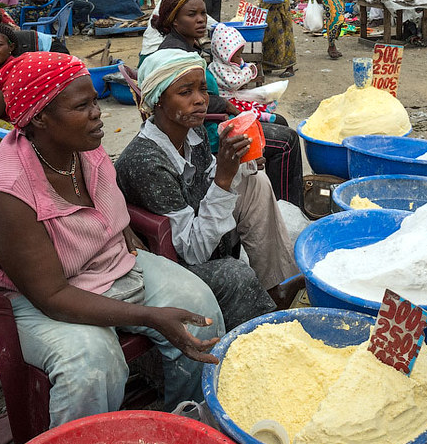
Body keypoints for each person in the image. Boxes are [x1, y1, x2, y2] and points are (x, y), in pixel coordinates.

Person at [0, 51, 223, 428]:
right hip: (24, 299)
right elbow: (51, 297)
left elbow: (105, 200)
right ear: (40, 119)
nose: (97, 113)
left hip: (104, 263)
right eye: (82, 106)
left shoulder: (84, 145)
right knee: (92, 362)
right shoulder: (9, 195)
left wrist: (119, 227)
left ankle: (182, 424)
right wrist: (148, 315)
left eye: (94, 101)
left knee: (199, 310)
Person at [116, 49, 301, 330]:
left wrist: (239, 163)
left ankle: (273, 285)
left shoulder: (193, 131)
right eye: (185, 92)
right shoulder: (146, 162)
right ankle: (255, 321)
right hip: (171, 259)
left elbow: (207, 183)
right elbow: (191, 252)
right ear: (158, 101)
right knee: (236, 274)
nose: (200, 99)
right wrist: (225, 179)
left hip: (197, 229)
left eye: (202, 89)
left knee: (255, 180)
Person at [154, 0, 304, 208]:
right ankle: (287, 207)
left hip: (210, 119)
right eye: (191, 15)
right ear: (174, 21)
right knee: (287, 141)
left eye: (203, 14)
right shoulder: (177, 55)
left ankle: (274, 199)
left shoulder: (188, 47)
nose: (200, 20)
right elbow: (196, 99)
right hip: (206, 130)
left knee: (279, 121)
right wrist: (233, 109)